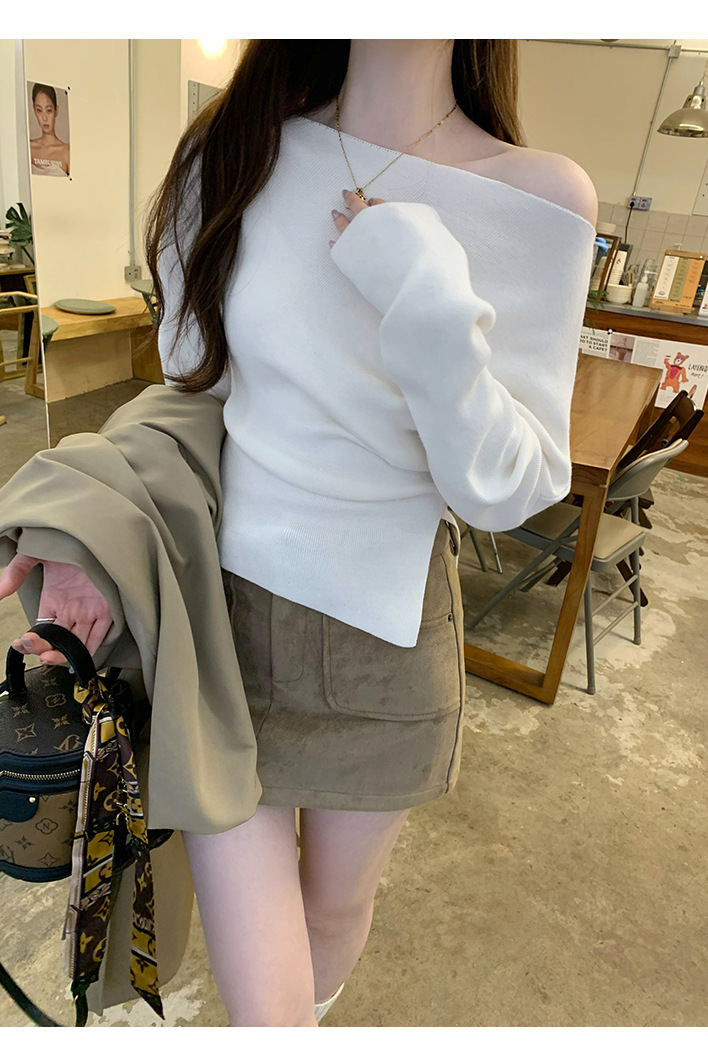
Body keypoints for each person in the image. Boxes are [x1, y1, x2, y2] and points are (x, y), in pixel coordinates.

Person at [3, 41, 598, 1026]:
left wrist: (426, 296)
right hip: (218, 624)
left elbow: (511, 487)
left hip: (385, 651)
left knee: (334, 911)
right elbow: (194, 388)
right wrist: (102, 538)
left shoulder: (539, 196)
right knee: (266, 1010)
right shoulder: (232, 152)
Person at [29, 83, 70, 177]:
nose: (44, 118)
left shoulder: (67, 151)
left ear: (56, 111)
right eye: (39, 110)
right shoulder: (28, 147)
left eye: (49, 110)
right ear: (34, 110)